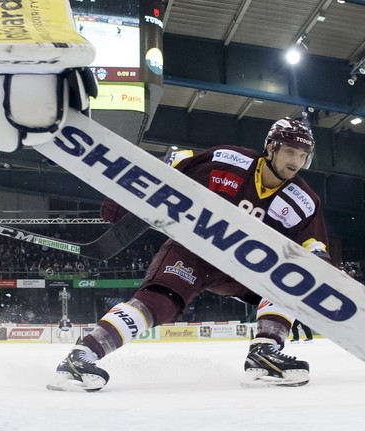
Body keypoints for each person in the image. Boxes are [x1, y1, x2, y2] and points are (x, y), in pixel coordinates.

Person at [49, 118, 330, 391]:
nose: (296, 161)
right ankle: (81, 355)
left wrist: (314, 284)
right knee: (157, 304)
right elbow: (172, 164)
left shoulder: (305, 201)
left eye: (303, 155)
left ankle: (264, 352)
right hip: (192, 252)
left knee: (288, 285)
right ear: (270, 148)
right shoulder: (228, 160)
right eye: (290, 151)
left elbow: (314, 248)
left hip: (242, 268)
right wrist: (126, 197)